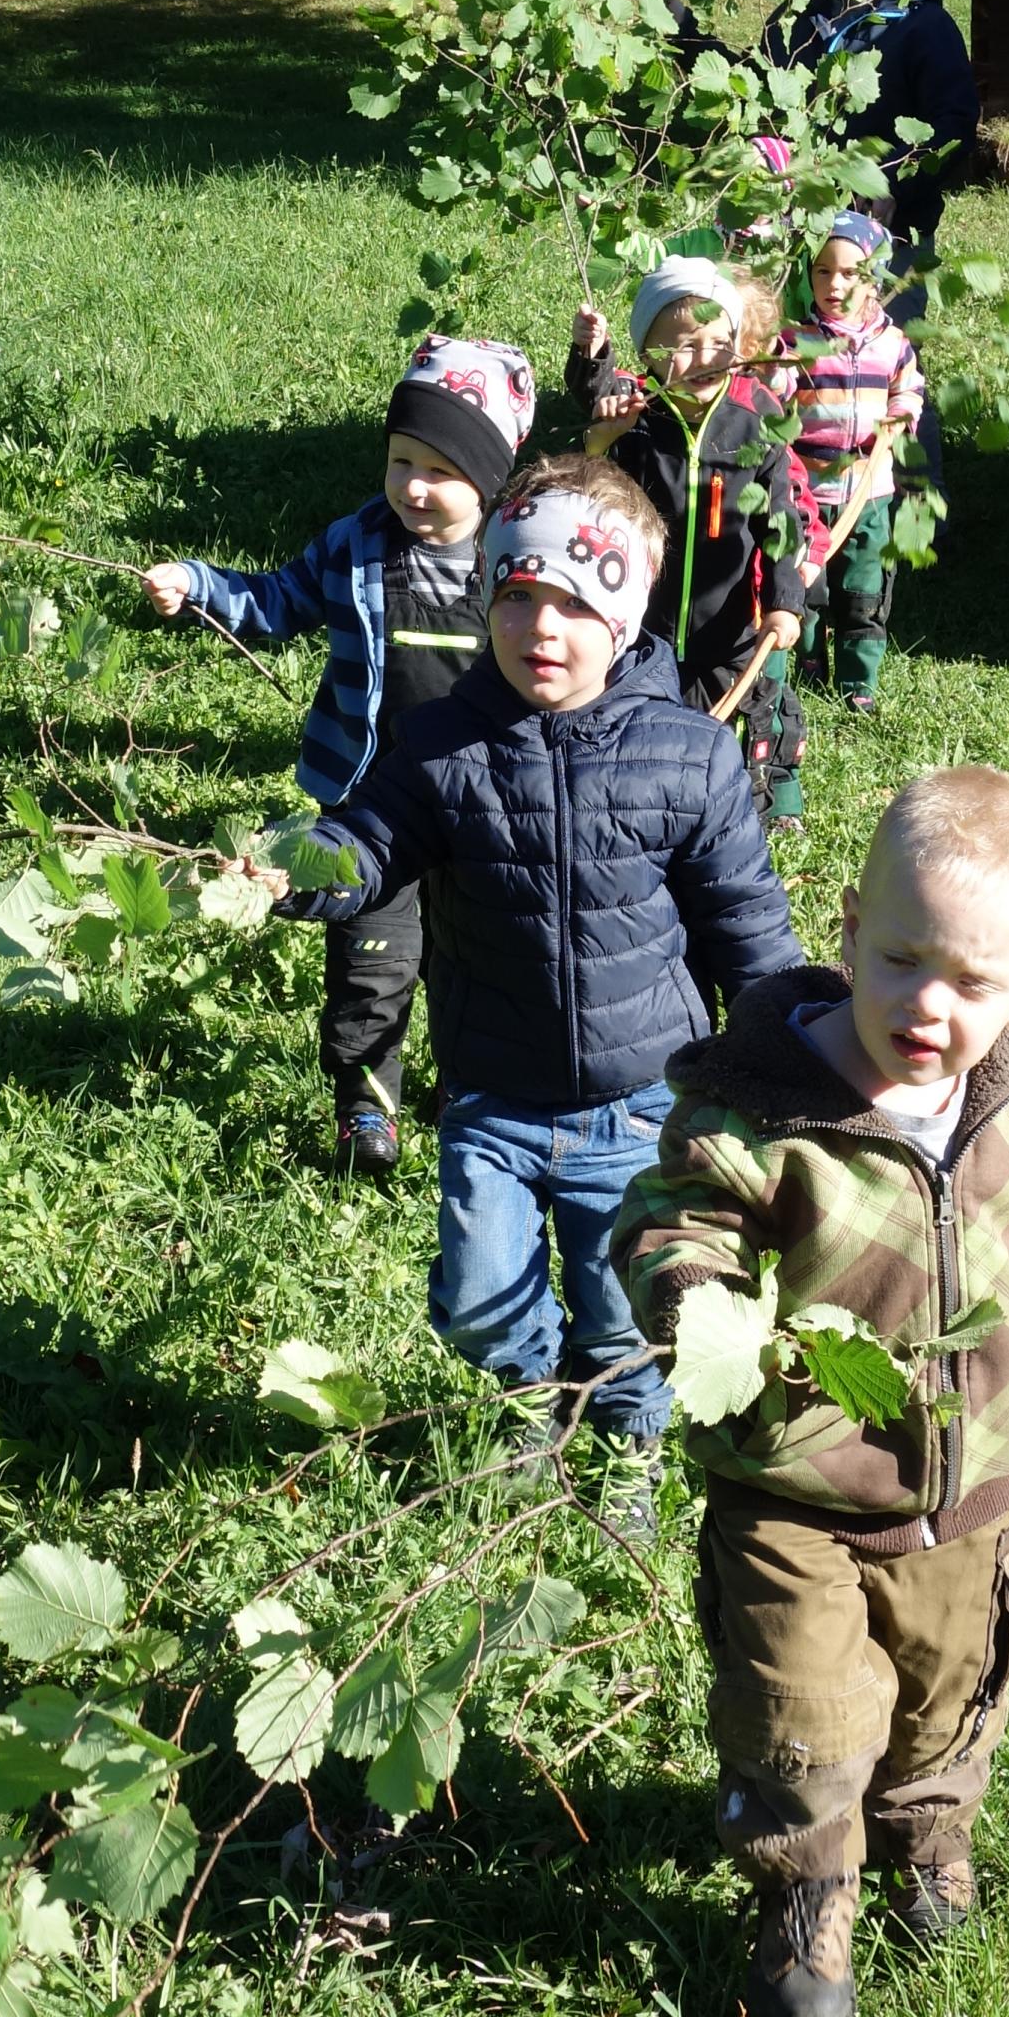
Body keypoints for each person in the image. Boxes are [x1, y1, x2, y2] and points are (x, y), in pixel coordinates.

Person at [615, 766, 1009, 2017]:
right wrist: (701, 1305)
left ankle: (926, 1834)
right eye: (901, 960)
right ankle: (808, 1884)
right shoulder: (762, 1107)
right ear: (849, 928)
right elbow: (671, 1224)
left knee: (953, 1687)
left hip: (967, 1485)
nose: (930, 1005)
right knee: (798, 1711)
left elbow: (1000, 1244)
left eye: (974, 982)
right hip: (793, 1484)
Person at [289, 456, 804, 1513]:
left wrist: (794, 1056)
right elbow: (368, 843)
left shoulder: (689, 757)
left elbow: (746, 926)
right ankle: (531, 1400)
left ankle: (627, 1453)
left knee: (630, 1316)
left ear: (622, 619)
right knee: (479, 1304)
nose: (540, 628)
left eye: (572, 604)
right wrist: (290, 868)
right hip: (493, 1097)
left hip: (641, 1103)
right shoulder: (439, 744)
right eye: (516, 596)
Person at [141, 335, 535, 1180]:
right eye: (401, 462)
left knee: (479, 958)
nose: (413, 487)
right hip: (371, 806)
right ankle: (367, 1104)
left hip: (484, 808)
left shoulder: (517, 562)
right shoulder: (358, 545)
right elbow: (276, 599)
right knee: (371, 963)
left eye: (440, 470)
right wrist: (199, 584)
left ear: (490, 477)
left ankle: (469, 1087)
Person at [564, 254, 812, 822]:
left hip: (725, 628)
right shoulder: (638, 419)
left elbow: (780, 522)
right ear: (649, 356)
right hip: (642, 627)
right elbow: (594, 428)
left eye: (721, 341)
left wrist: (784, 601)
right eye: (686, 345)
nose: (708, 357)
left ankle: (744, 810)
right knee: (641, 729)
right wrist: (595, 380)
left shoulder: (756, 423)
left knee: (732, 726)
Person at [766, 0, 982, 266]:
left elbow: (955, 123)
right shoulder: (798, 15)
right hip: (793, 232)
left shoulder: (923, 25)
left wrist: (889, 183)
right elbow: (758, 92)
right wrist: (685, 29)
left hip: (886, 240)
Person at [786, 211, 930, 717]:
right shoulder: (797, 342)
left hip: (868, 493)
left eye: (849, 273)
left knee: (863, 591)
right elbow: (774, 395)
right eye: (822, 271)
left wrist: (901, 414)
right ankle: (808, 663)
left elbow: (909, 387)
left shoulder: (893, 344)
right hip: (808, 494)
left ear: (874, 281)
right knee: (807, 585)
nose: (834, 284)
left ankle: (857, 682)